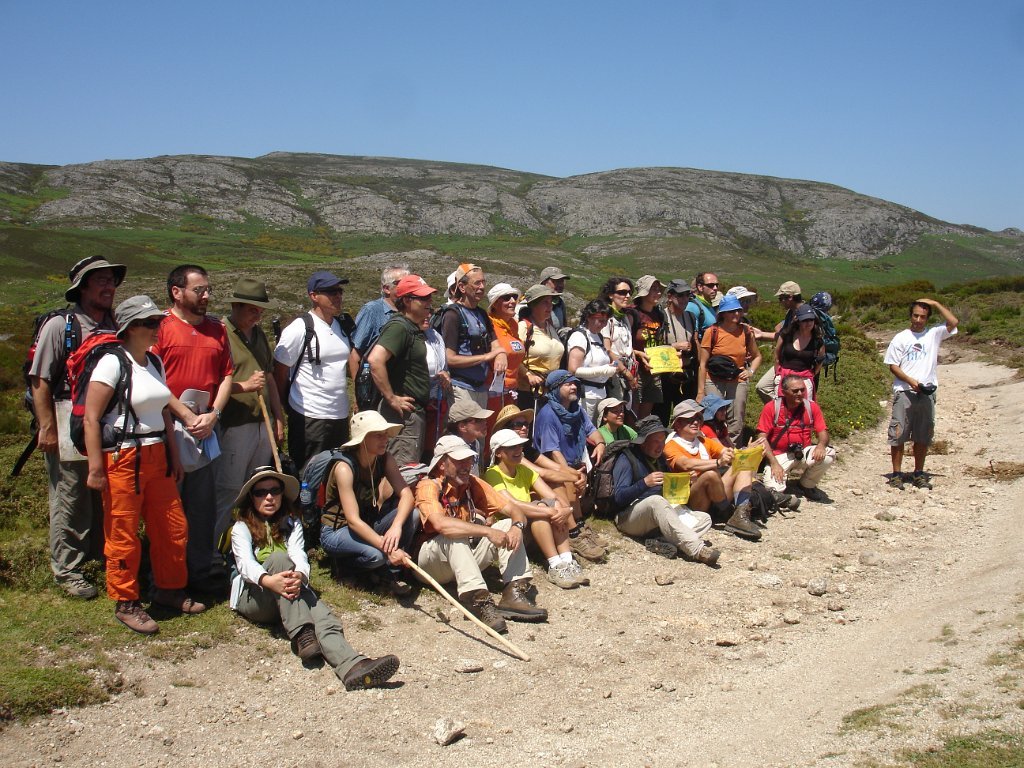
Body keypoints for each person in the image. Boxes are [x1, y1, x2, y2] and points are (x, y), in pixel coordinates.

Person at [84, 295, 207, 634]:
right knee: (122, 532)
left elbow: (164, 411)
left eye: (158, 322)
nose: (158, 329)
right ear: (131, 327)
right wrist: (96, 467)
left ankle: (168, 590)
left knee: (172, 527)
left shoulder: (153, 361)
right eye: (152, 324)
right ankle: (126, 601)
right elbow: (92, 418)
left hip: (157, 456)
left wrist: (174, 453)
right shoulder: (112, 363)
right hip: (124, 458)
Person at [229, 467, 400, 689]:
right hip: (257, 598)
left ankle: (352, 666)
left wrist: (299, 575)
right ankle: (302, 632)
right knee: (280, 559)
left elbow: (299, 555)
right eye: (261, 492)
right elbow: (245, 565)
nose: (269, 497)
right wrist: (269, 581)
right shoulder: (241, 528)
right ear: (252, 497)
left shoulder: (292, 523)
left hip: (289, 592)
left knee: (324, 616)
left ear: (282, 494)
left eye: (274, 490)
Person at [29, 255, 125, 599]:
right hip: (67, 415)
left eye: (111, 280)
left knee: (105, 493)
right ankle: (68, 569)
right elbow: (40, 380)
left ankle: (102, 557)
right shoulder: (61, 325)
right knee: (70, 496)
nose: (108, 286)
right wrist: (47, 427)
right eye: (100, 281)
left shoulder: (117, 324)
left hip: (109, 422)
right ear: (81, 287)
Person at [414, 435, 548, 633]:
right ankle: (479, 601)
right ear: (442, 465)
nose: (466, 465)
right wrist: (487, 531)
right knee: (455, 534)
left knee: (505, 525)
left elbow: (514, 510)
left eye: (468, 460)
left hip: (463, 555)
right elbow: (441, 525)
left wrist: (516, 527)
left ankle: (514, 592)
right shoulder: (428, 486)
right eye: (460, 461)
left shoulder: (472, 483)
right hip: (430, 563)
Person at [154, 264, 234, 591]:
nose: (206, 296)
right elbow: (152, 377)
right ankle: (167, 578)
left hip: (206, 427)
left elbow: (227, 374)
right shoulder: (160, 326)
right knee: (171, 507)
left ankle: (199, 572)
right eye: (199, 290)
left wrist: (213, 413)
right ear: (177, 292)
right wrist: (184, 416)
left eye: (207, 290)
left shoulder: (217, 329)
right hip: (169, 427)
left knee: (202, 506)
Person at [215, 278, 285, 542]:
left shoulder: (258, 336)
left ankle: (253, 542)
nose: (258, 314)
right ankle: (217, 547)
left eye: (260, 310)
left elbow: (269, 380)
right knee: (230, 489)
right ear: (236, 305)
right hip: (236, 423)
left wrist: (279, 418)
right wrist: (243, 386)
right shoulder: (221, 333)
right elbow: (212, 383)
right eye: (252, 309)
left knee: (258, 486)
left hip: (262, 424)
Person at [319, 412, 418, 593]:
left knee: (413, 515)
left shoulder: (385, 459)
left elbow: (407, 495)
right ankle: (346, 567)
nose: (385, 439)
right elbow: (352, 520)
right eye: (378, 434)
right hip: (337, 530)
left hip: (367, 523)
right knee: (376, 555)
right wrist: (386, 547)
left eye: (386, 434)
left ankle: (390, 574)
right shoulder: (344, 468)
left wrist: (396, 526)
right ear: (362, 439)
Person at [612, 416, 720, 566]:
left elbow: (670, 491)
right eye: (655, 441)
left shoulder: (660, 459)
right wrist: (644, 483)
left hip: (657, 516)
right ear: (643, 443)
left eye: (662, 441)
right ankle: (697, 550)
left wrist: (685, 483)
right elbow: (619, 498)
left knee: (704, 519)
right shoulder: (627, 459)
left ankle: (660, 541)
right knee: (657, 501)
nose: (660, 446)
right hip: (628, 517)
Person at [484, 429, 584, 589]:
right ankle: (555, 564)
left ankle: (567, 560)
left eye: (519, 446)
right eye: (512, 448)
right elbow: (510, 504)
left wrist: (563, 510)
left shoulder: (525, 470)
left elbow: (551, 496)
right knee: (543, 510)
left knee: (552, 507)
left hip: (528, 525)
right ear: (499, 453)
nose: (518, 450)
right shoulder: (492, 474)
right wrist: (549, 510)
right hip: (511, 528)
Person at [273, 271, 352, 469]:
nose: (337, 296)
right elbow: (279, 372)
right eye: (331, 291)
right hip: (309, 416)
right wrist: (286, 406)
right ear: (313, 295)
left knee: (336, 471)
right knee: (308, 472)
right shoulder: (299, 328)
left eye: (339, 291)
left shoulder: (341, 326)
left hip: (339, 414)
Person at [883, 298, 959, 490]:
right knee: (898, 434)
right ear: (910, 315)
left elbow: (953, 323)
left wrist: (936, 304)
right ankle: (897, 474)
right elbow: (893, 365)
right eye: (915, 315)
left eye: (923, 316)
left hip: (926, 392)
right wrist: (910, 381)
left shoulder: (934, 334)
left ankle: (918, 472)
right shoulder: (901, 337)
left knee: (922, 435)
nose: (918, 319)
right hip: (905, 391)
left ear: (927, 319)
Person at [533, 369, 608, 562]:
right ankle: (574, 535)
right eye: (568, 384)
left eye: (575, 383)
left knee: (573, 478)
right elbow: (552, 451)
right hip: (553, 466)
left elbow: (591, 430)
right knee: (565, 482)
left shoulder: (576, 409)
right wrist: (571, 473)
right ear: (556, 388)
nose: (574, 386)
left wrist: (599, 443)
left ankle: (581, 526)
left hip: (574, 463)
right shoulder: (548, 414)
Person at [662, 400, 761, 541]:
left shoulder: (703, 441)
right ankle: (728, 513)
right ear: (677, 424)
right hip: (692, 502)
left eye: (697, 418)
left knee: (741, 465)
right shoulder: (671, 445)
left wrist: (747, 452)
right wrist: (717, 462)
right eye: (689, 419)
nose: (695, 422)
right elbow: (685, 464)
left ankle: (740, 513)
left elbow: (729, 454)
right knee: (710, 474)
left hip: (716, 496)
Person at [368, 274, 438, 465]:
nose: (429, 302)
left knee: (408, 467)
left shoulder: (410, 328)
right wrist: (391, 398)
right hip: (403, 416)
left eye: (429, 297)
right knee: (403, 470)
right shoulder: (400, 327)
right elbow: (375, 360)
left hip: (410, 414)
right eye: (423, 298)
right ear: (407, 300)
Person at [701, 394, 800, 512]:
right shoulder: (706, 429)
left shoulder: (721, 426)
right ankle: (770, 495)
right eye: (720, 409)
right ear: (712, 413)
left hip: (728, 463)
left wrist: (748, 449)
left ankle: (767, 495)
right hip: (720, 467)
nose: (724, 411)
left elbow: (732, 448)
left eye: (725, 408)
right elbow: (722, 452)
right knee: (745, 463)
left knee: (754, 453)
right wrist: (746, 451)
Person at [756, 374, 835, 503]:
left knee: (828, 454)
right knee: (774, 491)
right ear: (784, 392)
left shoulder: (811, 407)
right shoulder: (771, 408)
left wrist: (821, 446)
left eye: (802, 390)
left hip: (802, 453)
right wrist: (774, 463)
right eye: (795, 391)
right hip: (779, 456)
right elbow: (761, 438)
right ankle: (780, 483)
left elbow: (823, 431)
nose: (800, 393)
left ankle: (807, 485)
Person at [438, 263, 507, 410]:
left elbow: (494, 342)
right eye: (477, 283)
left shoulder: (481, 314)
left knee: (478, 433)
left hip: (480, 388)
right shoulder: (453, 315)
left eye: (483, 282)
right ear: (462, 287)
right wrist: (487, 357)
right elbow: (450, 358)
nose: (482, 287)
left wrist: (501, 355)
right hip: (461, 388)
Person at [697, 294, 762, 445]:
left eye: (738, 310)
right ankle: (713, 451)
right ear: (723, 313)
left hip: (737, 379)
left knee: (736, 419)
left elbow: (757, 356)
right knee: (712, 417)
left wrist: (750, 371)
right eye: (732, 311)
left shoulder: (746, 331)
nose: (737, 314)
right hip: (713, 379)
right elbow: (703, 364)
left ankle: (733, 454)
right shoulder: (712, 332)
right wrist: (700, 392)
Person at [566, 298, 621, 419]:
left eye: (606, 321)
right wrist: (603, 370)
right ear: (589, 317)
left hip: (600, 394)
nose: (603, 324)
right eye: (600, 320)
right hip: (584, 396)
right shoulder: (579, 336)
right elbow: (573, 370)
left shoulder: (599, 336)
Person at [349, 264, 410, 363]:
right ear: (387, 288)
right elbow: (355, 354)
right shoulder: (371, 311)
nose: (407, 287)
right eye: (401, 283)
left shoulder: (410, 310)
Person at [756, 281, 805, 403]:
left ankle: (787, 412)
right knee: (763, 387)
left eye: (781, 298)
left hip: (796, 364)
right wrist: (761, 335)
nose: (780, 301)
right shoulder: (791, 313)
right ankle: (783, 412)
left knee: (768, 388)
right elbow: (782, 335)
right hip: (784, 361)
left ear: (790, 297)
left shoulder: (803, 315)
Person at [517, 284, 564, 410]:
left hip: (550, 391)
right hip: (529, 393)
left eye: (551, 302)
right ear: (533, 305)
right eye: (545, 302)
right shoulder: (523, 328)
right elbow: (514, 358)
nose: (550, 306)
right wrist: (528, 375)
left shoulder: (550, 328)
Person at [629, 275, 667, 420]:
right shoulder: (633, 314)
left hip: (654, 369)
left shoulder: (659, 314)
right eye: (654, 289)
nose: (658, 293)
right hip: (637, 369)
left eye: (659, 289)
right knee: (633, 411)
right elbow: (623, 345)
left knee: (645, 414)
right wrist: (637, 353)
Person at [598, 277, 639, 405]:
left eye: (629, 293)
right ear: (611, 295)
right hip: (615, 373)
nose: (627, 296)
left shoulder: (625, 318)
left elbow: (628, 346)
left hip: (628, 370)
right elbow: (607, 350)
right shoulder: (606, 318)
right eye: (622, 293)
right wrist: (626, 373)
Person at [486, 282, 527, 413]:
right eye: (506, 297)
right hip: (493, 392)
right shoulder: (488, 325)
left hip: (512, 390)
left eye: (514, 297)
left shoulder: (514, 325)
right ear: (495, 304)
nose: (512, 301)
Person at [774, 303, 823, 401]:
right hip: (784, 377)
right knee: (781, 409)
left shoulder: (818, 340)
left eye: (811, 320)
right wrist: (777, 374)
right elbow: (776, 354)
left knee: (805, 410)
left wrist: (812, 374)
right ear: (798, 321)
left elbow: (820, 359)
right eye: (804, 320)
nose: (808, 323)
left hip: (805, 379)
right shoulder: (787, 334)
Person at [662, 279, 698, 403]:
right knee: (663, 414)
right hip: (665, 374)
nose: (684, 299)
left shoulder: (691, 317)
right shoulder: (661, 316)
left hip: (687, 373)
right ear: (670, 297)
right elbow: (652, 347)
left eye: (687, 295)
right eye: (680, 295)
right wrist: (674, 346)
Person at [686, 272, 719, 342]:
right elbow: (693, 339)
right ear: (700, 287)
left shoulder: (709, 306)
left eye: (717, 285)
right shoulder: (693, 307)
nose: (715, 288)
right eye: (711, 285)